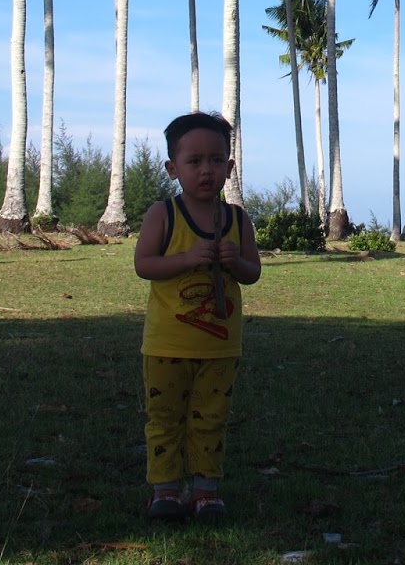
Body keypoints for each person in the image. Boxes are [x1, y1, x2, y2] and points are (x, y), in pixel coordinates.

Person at [134, 112, 261, 520]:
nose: (205, 170)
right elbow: (144, 265)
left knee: (210, 419)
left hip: (220, 345)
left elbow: (252, 273)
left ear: (229, 166)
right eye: (194, 161)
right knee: (165, 419)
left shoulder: (238, 220)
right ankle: (165, 490)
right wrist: (186, 259)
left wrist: (236, 261)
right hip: (167, 343)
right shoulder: (163, 214)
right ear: (173, 168)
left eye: (215, 159)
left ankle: (206, 490)